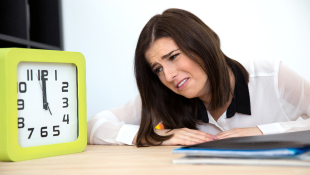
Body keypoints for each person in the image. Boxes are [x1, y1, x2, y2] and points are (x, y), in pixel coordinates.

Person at [87, 8, 310, 147]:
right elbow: (94, 126)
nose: (169, 75)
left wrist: (262, 132)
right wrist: (157, 136)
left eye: (173, 57)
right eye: (157, 69)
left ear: (201, 45)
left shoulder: (270, 75)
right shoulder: (163, 98)